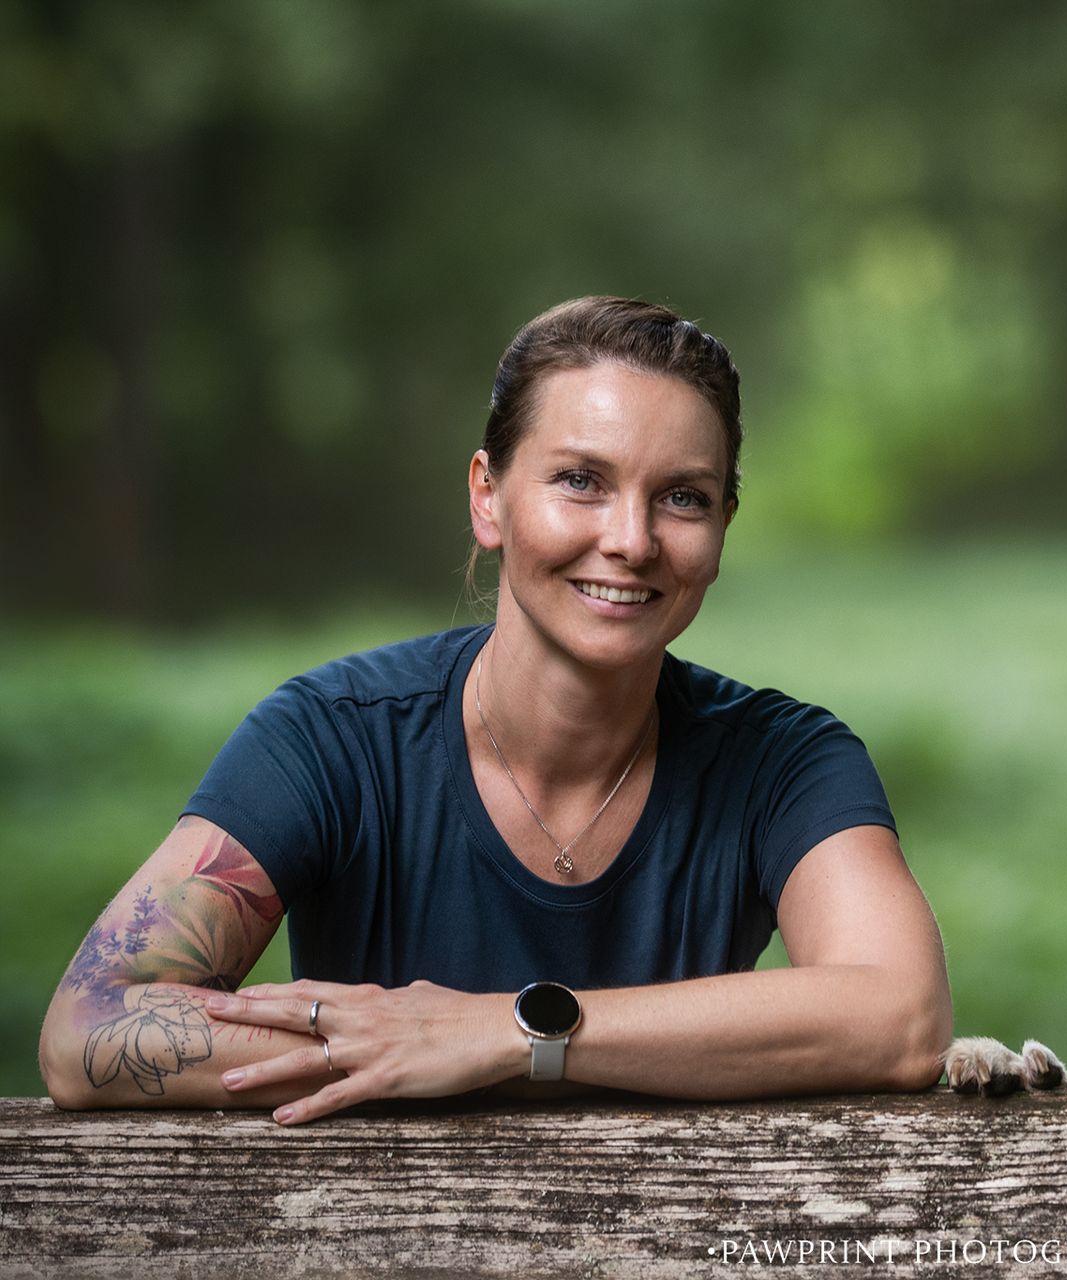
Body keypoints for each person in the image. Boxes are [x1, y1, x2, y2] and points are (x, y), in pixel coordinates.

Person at [38, 297, 953, 1125]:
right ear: (489, 496)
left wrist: (505, 1035)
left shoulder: (786, 761)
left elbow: (900, 1015)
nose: (631, 541)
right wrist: (405, 1046)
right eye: (581, 481)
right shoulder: (331, 736)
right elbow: (89, 1026)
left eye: (683, 498)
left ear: (720, 532)